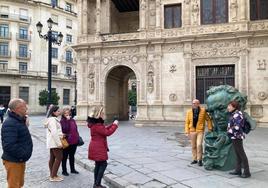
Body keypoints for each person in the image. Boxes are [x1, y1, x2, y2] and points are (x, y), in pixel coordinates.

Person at [1, 98, 33, 188]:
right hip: (14, 161)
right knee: (14, 186)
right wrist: (23, 154)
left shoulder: (18, 120)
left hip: (19, 160)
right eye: (24, 106)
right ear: (18, 108)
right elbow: (9, 145)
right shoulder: (10, 123)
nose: (26, 108)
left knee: (19, 184)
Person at [87, 106, 118, 188]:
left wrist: (112, 124)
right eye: (102, 113)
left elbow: (104, 130)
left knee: (98, 164)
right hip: (98, 147)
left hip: (95, 146)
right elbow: (107, 133)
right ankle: (97, 184)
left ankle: (96, 183)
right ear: (99, 114)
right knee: (103, 164)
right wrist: (115, 125)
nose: (104, 114)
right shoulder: (97, 125)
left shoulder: (95, 124)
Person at [184, 99, 212, 166]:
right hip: (192, 131)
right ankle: (195, 159)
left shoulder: (203, 110)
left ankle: (200, 159)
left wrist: (210, 127)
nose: (194, 104)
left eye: (196, 103)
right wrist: (186, 131)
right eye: (193, 103)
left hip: (200, 131)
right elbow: (186, 122)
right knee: (193, 146)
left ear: (198, 104)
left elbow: (208, 119)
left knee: (199, 144)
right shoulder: (189, 112)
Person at [227, 100, 251, 178]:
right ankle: (238, 170)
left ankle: (247, 172)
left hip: (237, 136)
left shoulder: (238, 114)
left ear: (234, 106)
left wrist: (228, 130)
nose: (228, 107)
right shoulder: (234, 114)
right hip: (234, 136)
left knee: (241, 154)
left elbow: (237, 127)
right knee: (237, 154)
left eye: (229, 106)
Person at [44, 105, 64, 182]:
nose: (59, 112)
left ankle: (53, 174)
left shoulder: (51, 119)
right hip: (55, 142)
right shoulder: (52, 120)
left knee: (52, 158)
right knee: (59, 158)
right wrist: (59, 143)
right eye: (58, 111)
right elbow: (54, 132)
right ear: (54, 112)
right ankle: (53, 176)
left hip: (52, 141)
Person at [60, 107, 79, 176]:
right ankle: (64, 171)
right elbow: (64, 130)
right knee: (64, 157)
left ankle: (72, 169)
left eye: (68, 113)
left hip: (74, 141)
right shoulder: (62, 121)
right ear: (63, 114)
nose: (67, 114)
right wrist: (67, 121)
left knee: (72, 156)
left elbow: (75, 129)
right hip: (67, 141)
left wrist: (77, 137)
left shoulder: (73, 120)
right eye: (65, 113)